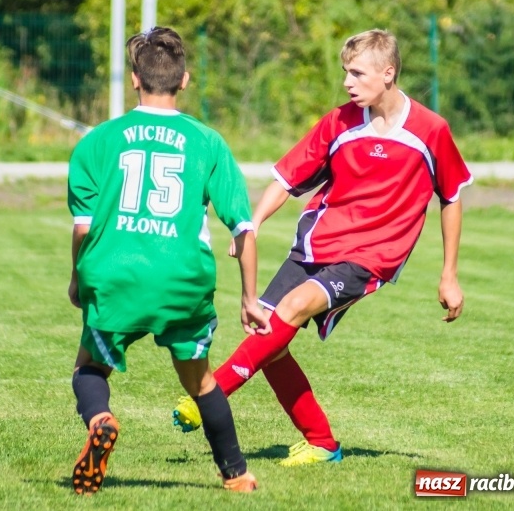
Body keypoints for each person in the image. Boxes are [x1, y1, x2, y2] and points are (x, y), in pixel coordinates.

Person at [173, 28, 473, 467]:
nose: (348, 83)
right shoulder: (339, 122)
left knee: (292, 308)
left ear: (388, 73)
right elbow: (287, 179)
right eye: (345, 73)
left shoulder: (431, 130)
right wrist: (252, 225)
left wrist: (449, 274)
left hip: (372, 256)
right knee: (268, 337)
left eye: (357, 73)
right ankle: (323, 442)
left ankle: (208, 394)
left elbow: (452, 196)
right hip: (317, 243)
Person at [67, 26, 270, 495]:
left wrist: (79, 281)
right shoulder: (207, 142)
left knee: (90, 369)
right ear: (184, 81)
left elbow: (82, 228)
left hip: (114, 274)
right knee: (201, 383)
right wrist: (249, 298)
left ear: (134, 79)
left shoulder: (98, 141)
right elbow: (243, 228)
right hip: (182, 278)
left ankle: (100, 419)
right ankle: (237, 475)